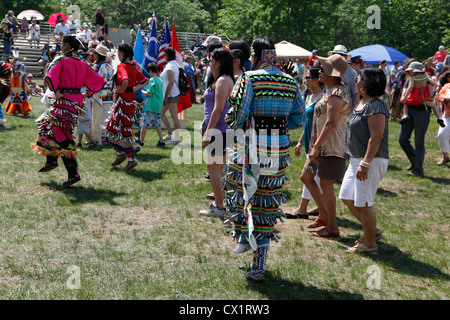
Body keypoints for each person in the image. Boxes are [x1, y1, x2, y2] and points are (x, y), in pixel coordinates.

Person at [223, 37, 305, 282]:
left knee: (243, 196)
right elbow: (300, 118)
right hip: (277, 150)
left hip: (249, 147)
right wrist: (278, 125)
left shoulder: (249, 79)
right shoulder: (290, 81)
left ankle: (245, 241)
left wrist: (246, 124)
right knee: (266, 205)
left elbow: (237, 117)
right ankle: (258, 264)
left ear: (255, 56)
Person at [31, 35, 106, 187]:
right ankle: (52, 160)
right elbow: (98, 81)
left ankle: (73, 173)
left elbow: (49, 75)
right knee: (47, 127)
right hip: (75, 101)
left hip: (64, 101)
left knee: (62, 135)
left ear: (65, 45)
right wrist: (86, 94)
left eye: (62, 44)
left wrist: (56, 91)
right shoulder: (82, 63)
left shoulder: (61, 59)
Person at [339, 67, 389, 254]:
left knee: (363, 203)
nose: (356, 80)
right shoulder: (362, 102)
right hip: (357, 159)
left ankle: (371, 245)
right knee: (346, 196)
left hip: (370, 160)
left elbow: (376, 137)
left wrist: (365, 163)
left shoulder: (376, 105)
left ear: (367, 83)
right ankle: (372, 232)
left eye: (359, 78)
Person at [303, 54, 350, 237]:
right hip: (321, 145)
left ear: (332, 74)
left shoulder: (338, 93)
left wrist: (316, 146)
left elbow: (331, 122)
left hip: (331, 146)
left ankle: (332, 226)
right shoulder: (330, 91)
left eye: (323, 69)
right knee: (306, 177)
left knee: (325, 184)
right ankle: (323, 215)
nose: (319, 71)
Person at [199, 47, 234, 218]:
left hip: (218, 131)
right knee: (218, 169)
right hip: (221, 130)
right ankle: (222, 204)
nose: (209, 63)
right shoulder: (222, 79)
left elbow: (218, 109)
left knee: (214, 169)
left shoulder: (222, 81)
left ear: (219, 62)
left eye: (212, 60)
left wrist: (208, 132)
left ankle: (220, 207)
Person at [287, 67, 325, 219]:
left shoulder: (323, 98)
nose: (305, 80)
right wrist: (300, 142)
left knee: (309, 176)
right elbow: (308, 122)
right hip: (309, 139)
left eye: (308, 77)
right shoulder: (311, 96)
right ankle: (319, 207)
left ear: (316, 80)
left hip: (318, 141)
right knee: (315, 177)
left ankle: (303, 208)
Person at [105, 42, 148, 171]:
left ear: (122, 54)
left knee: (112, 129)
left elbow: (124, 80)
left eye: (118, 52)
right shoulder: (134, 67)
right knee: (124, 130)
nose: (117, 55)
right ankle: (122, 155)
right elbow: (145, 80)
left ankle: (128, 158)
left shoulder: (122, 66)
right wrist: (133, 89)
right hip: (130, 101)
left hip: (123, 102)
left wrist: (122, 89)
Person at [398, 61, 435, 177]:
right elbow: (404, 94)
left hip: (422, 111)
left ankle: (418, 169)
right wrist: (404, 96)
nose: (409, 73)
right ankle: (415, 161)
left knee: (419, 141)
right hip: (409, 110)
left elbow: (433, 88)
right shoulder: (408, 80)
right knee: (402, 139)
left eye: (411, 71)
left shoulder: (426, 79)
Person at [399, 61, 444, 128]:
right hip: (423, 99)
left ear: (414, 71)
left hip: (413, 98)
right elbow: (434, 83)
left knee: (405, 103)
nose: (409, 73)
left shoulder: (412, 79)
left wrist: (405, 97)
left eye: (410, 71)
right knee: (434, 106)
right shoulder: (425, 77)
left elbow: (410, 87)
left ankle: (405, 115)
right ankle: (439, 118)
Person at [90, 43, 115, 146]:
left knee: (97, 117)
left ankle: (97, 137)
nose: (93, 55)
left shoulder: (97, 66)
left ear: (98, 55)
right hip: (108, 95)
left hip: (98, 95)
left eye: (95, 53)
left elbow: (94, 80)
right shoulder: (110, 67)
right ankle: (105, 137)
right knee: (106, 117)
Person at [160, 47, 181, 145]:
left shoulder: (170, 66)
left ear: (167, 55)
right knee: (161, 114)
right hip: (170, 94)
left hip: (171, 95)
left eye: (164, 54)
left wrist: (165, 97)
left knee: (174, 117)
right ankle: (170, 133)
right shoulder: (172, 64)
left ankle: (176, 139)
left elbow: (171, 82)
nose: (163, 56)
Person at [141, 63, 165, 147]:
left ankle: (141, 141)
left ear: (150, 71)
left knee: (145, 124)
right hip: (158, 106)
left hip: (151, 106)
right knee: (157, 124)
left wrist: (143, 92)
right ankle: (161, 140)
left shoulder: (152, 80)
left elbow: (150, 93)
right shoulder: (160, 80)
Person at [329, 45, 359, 111]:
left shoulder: (352, 73)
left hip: (345, 113)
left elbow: (356, 95)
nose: (337, 58)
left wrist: (353, 113)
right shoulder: (329, 70)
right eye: (335, 55)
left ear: (345, 57)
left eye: (340, 55)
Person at [436, 71, 450, 166]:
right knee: (441, 135)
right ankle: (445, 156)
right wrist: (446, 99)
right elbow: (440, 96)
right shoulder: (447, 86)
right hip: (447, 115)